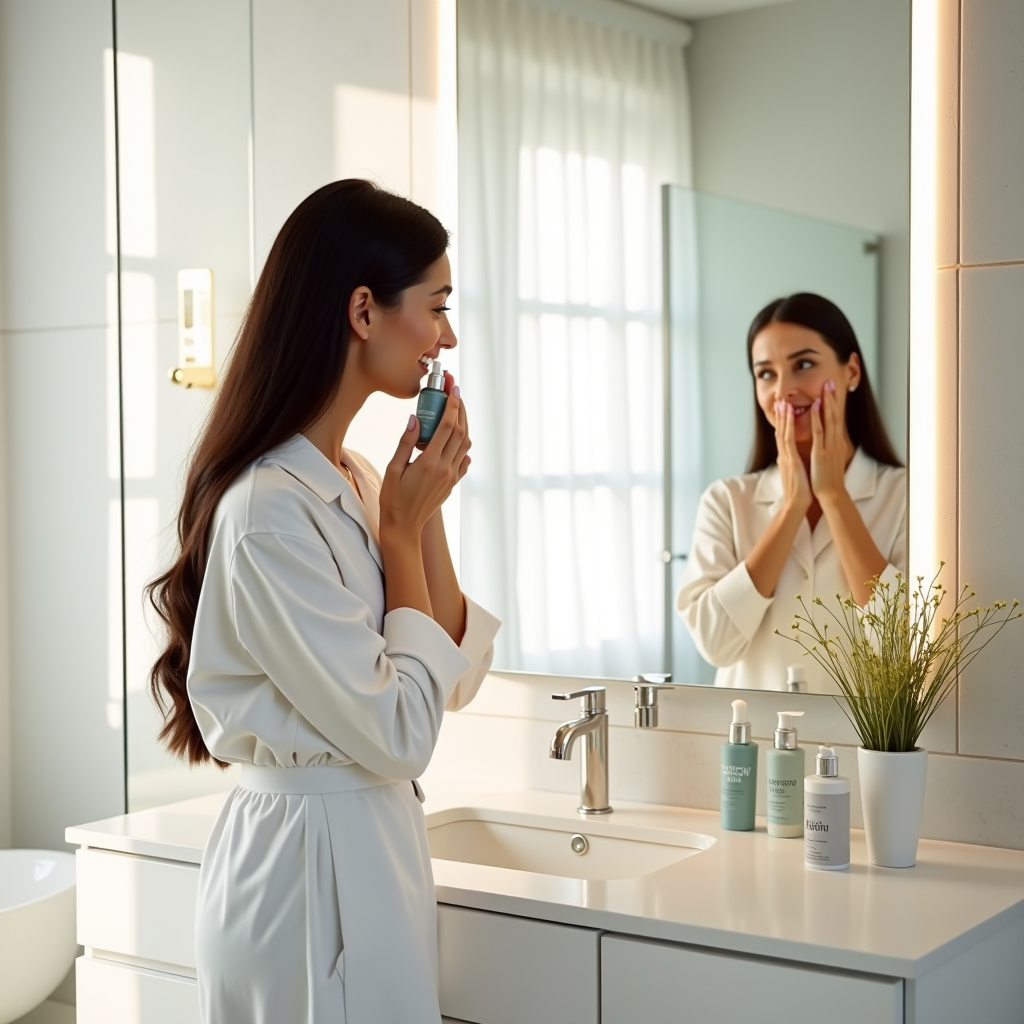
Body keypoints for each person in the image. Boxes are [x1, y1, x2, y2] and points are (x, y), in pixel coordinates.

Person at [146, 179, 500, 1023]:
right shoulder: (270, 512)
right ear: (363, 311)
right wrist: (403, 529)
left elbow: (452, 674)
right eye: (437, 305)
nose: (447, 336)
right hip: (306, 871)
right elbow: (404, 730)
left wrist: (421, 507)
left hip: (368, 848)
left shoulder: (358, 478)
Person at [676, 293, 905, 690]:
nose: (783, 390)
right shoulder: (726, 500)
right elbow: (715, 644)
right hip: (750, 746)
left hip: (863, 750)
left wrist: (834, 497)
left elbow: (902, 647)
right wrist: (790, 508)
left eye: (803, 365)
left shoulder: (907, 496)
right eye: (766, 373)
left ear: (851, 371)